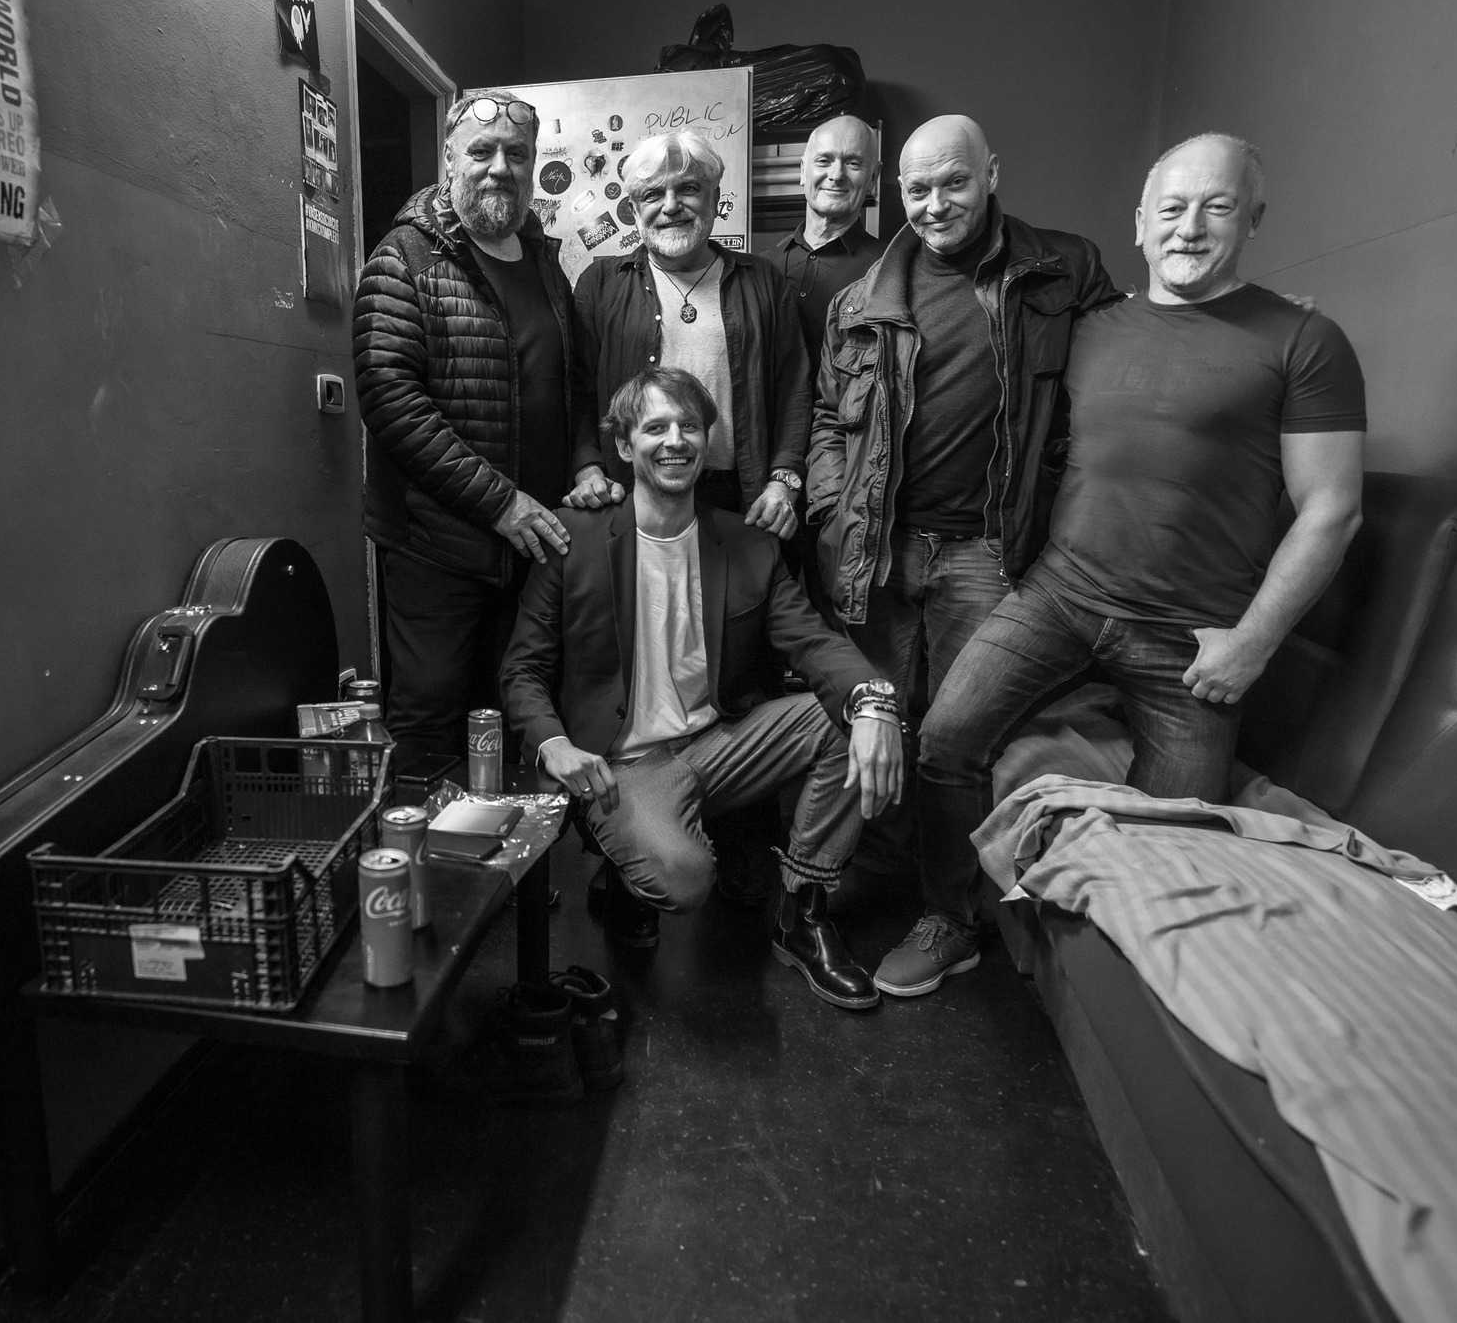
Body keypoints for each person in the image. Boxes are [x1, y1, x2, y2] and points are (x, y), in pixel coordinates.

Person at [908, 133, 1366, 995]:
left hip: (1191, 638)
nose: (1189, 227)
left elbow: (1332, 510)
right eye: (1172, 208)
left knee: (1171, 843)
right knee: (943, 739)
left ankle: (1115, 976)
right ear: (1139, 224)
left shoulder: (1305, 340)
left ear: (1253, 219)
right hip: (1060, 595)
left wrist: (1253, 643)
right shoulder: (1088, 328)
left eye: (1216, 207)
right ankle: (950, 919)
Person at [803, 114, 1117, 992]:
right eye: (918, 188)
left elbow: (1130, 361)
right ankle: (883, 872)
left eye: (954, 182)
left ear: (991, 175)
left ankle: (950, 915)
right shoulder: (860, 299)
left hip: (987, 550)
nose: (935, 203)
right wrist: (830, 508)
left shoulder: (1061, 270)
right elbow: (828, 419)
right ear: (895, 191)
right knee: (879, 717)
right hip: (879, 547)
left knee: (954, 738)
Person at [501, 367, 904, 1010]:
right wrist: (554, 745)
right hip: (623, 765)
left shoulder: (747, 544)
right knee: (684, 880)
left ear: (707, 441)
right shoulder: (573, 538)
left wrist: (875, 702)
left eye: (689, 426)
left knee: (852, 714)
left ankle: (802, 910)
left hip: (721, 744)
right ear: (625, 445)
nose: (675, 440)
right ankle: (625, 864)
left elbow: (812, 641)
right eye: (655, 427)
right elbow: (522, 670)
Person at [352, 91, 594, 768]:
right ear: (449, 159)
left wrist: (585, 464)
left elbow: (573, 383)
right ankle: (421, 835)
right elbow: (392, 402)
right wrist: (500, 503)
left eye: (517, 154)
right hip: (438, 544)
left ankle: (509, 837)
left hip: (532, 545)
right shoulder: (404, 257)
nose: (499, 168)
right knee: (430, 713)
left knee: (518, 709)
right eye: (481, 152)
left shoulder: (544, 262)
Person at [566, 129, 812, 541]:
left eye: (688, 189)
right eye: (652, 194)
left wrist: (783, 481)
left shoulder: (763, 280)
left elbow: (795, 389)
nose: (670, 206)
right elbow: (577, 391)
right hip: (631, 493)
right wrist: (587, 466)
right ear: (634, 209)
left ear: (715, 198)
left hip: (745, 498)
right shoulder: (601, 283)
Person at [765, 114, 882, 360]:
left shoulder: (887, 271)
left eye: (853, 163)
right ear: (802, 171)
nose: (836, 175)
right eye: (824, 161)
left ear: (873, 178)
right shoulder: (763, 267)